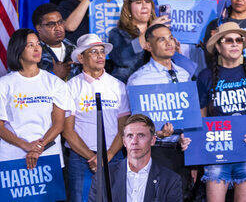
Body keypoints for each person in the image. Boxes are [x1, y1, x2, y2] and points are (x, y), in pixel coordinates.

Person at [196, 22, 246, 202]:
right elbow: (202, 115)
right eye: (229, 40)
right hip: (217, 146)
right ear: (218, 47)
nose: (235, 44)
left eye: (238, 40)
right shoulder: (205, 76)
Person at [126, 23, 194, 192]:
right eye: (161, 39)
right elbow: (134, 125)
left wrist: (193, 156)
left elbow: (190, 116)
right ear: (148, 46)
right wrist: (156, 134)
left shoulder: (184, 75)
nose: (169, 42)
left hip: (181, 152)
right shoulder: (139, 80)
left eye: (170, 38)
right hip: (154, 152)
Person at [64, 33, 130, 202]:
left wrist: (107, 156)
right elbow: (68, 131)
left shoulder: (118, 86)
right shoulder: (71, 87)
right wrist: (91, 157)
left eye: (102, 51)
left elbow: (123, 128)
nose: (100, 56)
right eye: (94, 52)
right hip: (81, 159)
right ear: (81, 57)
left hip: (113, 156)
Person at [0, 29, 70, 171]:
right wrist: (25, 145)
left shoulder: (55, 83)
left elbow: (59, 124)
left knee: (52, 194)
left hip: (48, 155)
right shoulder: (4, 84)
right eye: (30, 45)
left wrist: (37, 147)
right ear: (18, 49)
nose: (37, 48)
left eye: (38, 44)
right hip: (13, 157)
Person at [88, 113, 183, 202]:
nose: (134, 141)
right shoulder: (104, 177)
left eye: (141, 135)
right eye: (130, 136)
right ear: (124, 141)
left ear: (152, 140)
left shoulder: (170, 180)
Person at [108, 0, 170, 82]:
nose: (145, 6)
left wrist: (175, 51)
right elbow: (123, 58)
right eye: (138, 2)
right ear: (128, 8)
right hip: (128, 88)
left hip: (157, 88)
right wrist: (149, 32)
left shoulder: (161, 32)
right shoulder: (117, 33)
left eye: (147, 1)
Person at [33, 2, 76, 79]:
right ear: (39, 28)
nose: (58, 28)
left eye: (60, 22)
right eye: (51, 24)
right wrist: (53, 76)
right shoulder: (30, 52)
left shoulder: (74, 49)